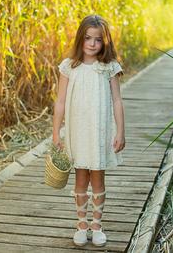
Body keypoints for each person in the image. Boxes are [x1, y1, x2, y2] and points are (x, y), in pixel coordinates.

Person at [52, 14, 126, 247]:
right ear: (80, 39)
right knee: (80, 177)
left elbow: (116, 100)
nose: (92, 44)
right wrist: (56, 132)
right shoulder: (69, 67)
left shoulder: (108, 68)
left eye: (98, 40)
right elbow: (61, 101)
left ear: (105, 42)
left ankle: (97, 225)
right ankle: (81, 224)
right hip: (78, 131)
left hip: (100, 131)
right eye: (88, 38)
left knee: (98, 178)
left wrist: (120, 131)